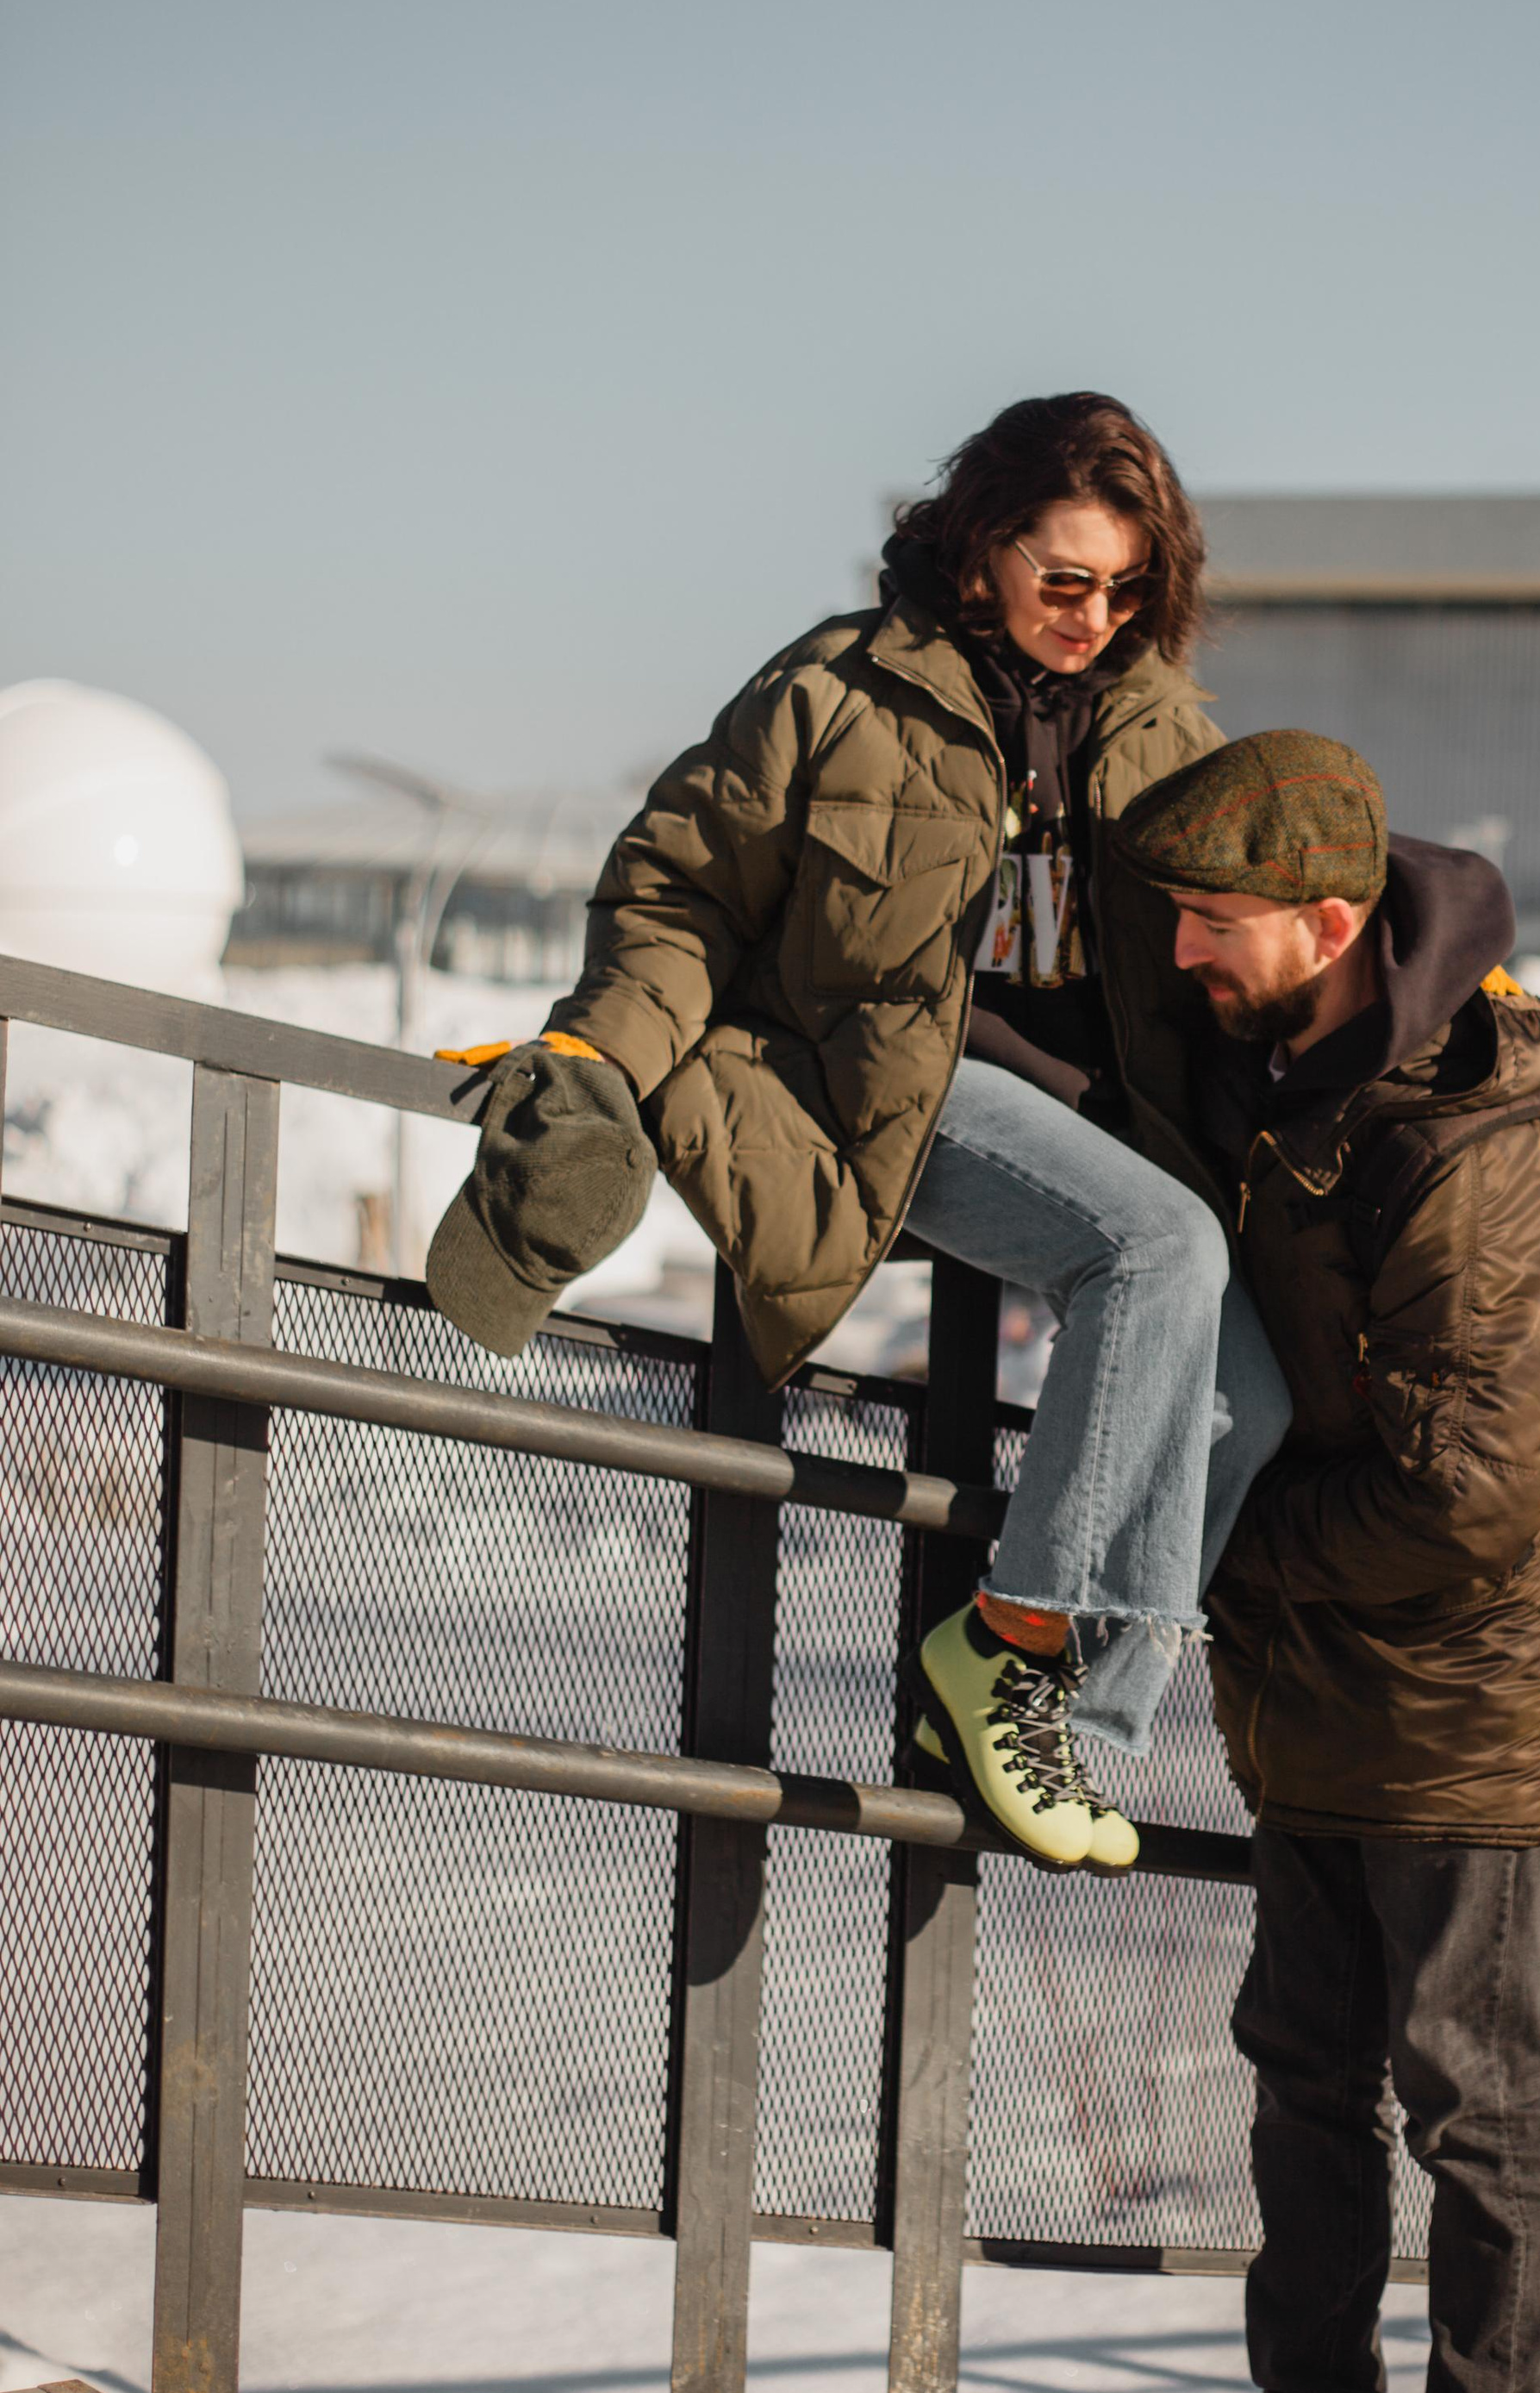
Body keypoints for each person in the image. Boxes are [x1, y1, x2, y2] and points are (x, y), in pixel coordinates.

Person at [422, 394, 1290, 1875]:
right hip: (884, 1088)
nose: (1096, 616)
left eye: (1129, 586)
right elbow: (679, 887)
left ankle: (1076, 1710)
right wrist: (596, 1051)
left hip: (1099, 1123)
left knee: (1247, 1401)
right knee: (1158, 1250)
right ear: (979, 553)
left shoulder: (1164, 732)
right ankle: (1006, 1653)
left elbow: (1291, 905)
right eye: (1064, 580)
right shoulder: (841, 690)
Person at [1100, 729, 1540, 2393]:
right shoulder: (1279, 1077)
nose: (1178, 954)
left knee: (1474, 2106)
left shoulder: (1477, 1151)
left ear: (1323, 922)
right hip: (1320, 1690)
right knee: (1304, 2087)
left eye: (1209, 922)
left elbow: (1472, 1498)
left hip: (1462, 1698)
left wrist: (1221, 1555)